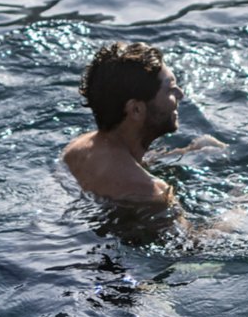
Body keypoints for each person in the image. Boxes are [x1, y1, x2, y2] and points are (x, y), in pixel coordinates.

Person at [61, 40, 185, 206]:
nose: (180, 94)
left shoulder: (76, 149)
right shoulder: (151, 192)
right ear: (136, 110)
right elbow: (197, 233)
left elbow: (122, 164)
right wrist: (233, 203)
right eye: (170, 88)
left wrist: (189, 151)